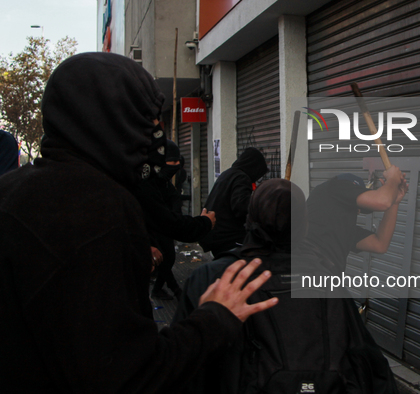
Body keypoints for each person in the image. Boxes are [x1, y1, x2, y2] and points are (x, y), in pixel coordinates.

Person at [0, 52, 277, 393]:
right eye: (145, 121)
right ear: (114, 120)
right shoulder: (100, 207)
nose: (153, 138)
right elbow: (129, 375)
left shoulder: (12, 191)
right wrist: (216, 317)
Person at [175, 179, 398, 393]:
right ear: (304, 224)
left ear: (250, 219)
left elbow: (181, 359)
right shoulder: (327, 281)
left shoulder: (215, 277)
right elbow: (368, 362)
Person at [134, 139, 215, 300]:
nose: (176, 165)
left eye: (179, 161)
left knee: (167, 257)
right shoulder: (143, 186)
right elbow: (168, 222)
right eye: (173, 160)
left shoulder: (159, 184)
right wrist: (204, 223)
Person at [304, 167, 408, 273]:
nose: (358, 212)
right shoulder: (334, 186)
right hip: (306, 277)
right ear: (349, 191)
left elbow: (380, 245)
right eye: (356, 205)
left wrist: (395, 203)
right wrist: (393, 179)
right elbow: (383, 201)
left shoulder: (340, 228)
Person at [198, 147, 268, 257]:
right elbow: (241, 207)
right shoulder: (241, 177)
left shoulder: (228, 174)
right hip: (228, 238)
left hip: (216, 235)